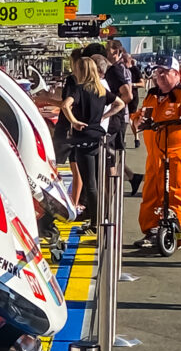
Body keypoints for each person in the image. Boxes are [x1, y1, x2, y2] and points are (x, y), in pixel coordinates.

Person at [134, 54, 181, 248]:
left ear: (176, 74)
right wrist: (137, 121)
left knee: (175, 191)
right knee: (151, 193)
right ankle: (151, 230)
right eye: (158, 73)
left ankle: (176, 233)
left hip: (176, 152)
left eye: (165, 73)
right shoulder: (151, 95)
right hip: (155, 153)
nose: (161, 76)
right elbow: (140, 115)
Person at [60, 56, 126, 227]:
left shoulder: (79, 90)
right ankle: (103, 215)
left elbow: (65, 105)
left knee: (90, 183)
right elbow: (120, 103)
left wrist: (74, 121)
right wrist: (104, 116)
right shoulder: (101, 90)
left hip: (83, 137)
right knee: (99, 178)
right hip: (99, 136)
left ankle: (96, 222)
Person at [105, 41, 139, 194]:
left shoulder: (115, 70)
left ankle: (113, 190)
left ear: (116, 52)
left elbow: (128, 94)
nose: (106, 53)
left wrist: (113, 107)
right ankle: (131, 177)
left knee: (110, 153)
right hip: (121, 115)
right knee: (114, 151)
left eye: (108, 50)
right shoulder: (123, 68)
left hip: (117, 117)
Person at [125, 53, 143, 148]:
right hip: (122, 96)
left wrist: (132, 85)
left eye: (125, 60)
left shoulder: (135, 70)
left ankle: (136, 137)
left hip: (133, 96)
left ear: (130, 60)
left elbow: (142, 83)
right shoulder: (120, 70)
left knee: (131, 118)